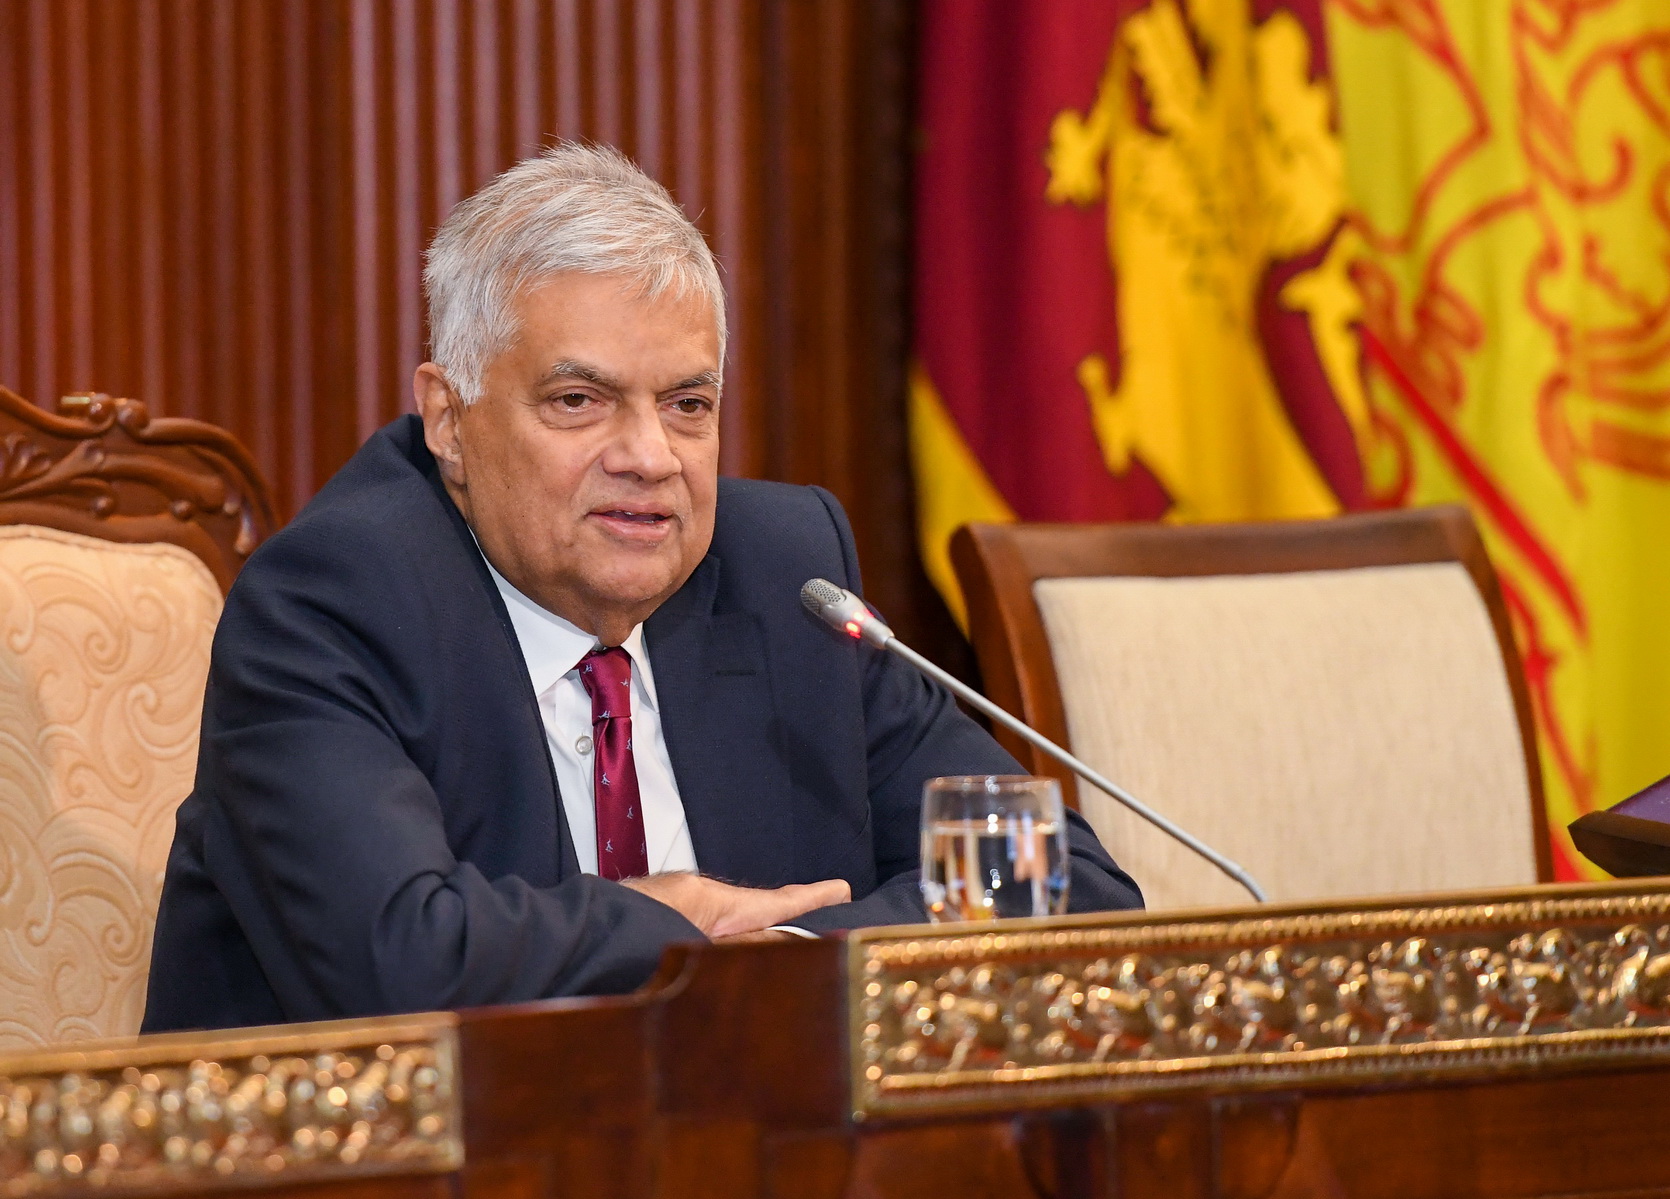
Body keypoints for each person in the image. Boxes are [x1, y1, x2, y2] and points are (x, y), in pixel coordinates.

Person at [143, 143, 1142, 1033]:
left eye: (687, 405)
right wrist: (673, 928)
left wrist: (777, 964)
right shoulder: (330, 603)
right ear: (448, 419)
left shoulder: (785, 578)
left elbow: (1060, 882)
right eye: (579, 401)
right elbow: (404, 959)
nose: (650, 457)